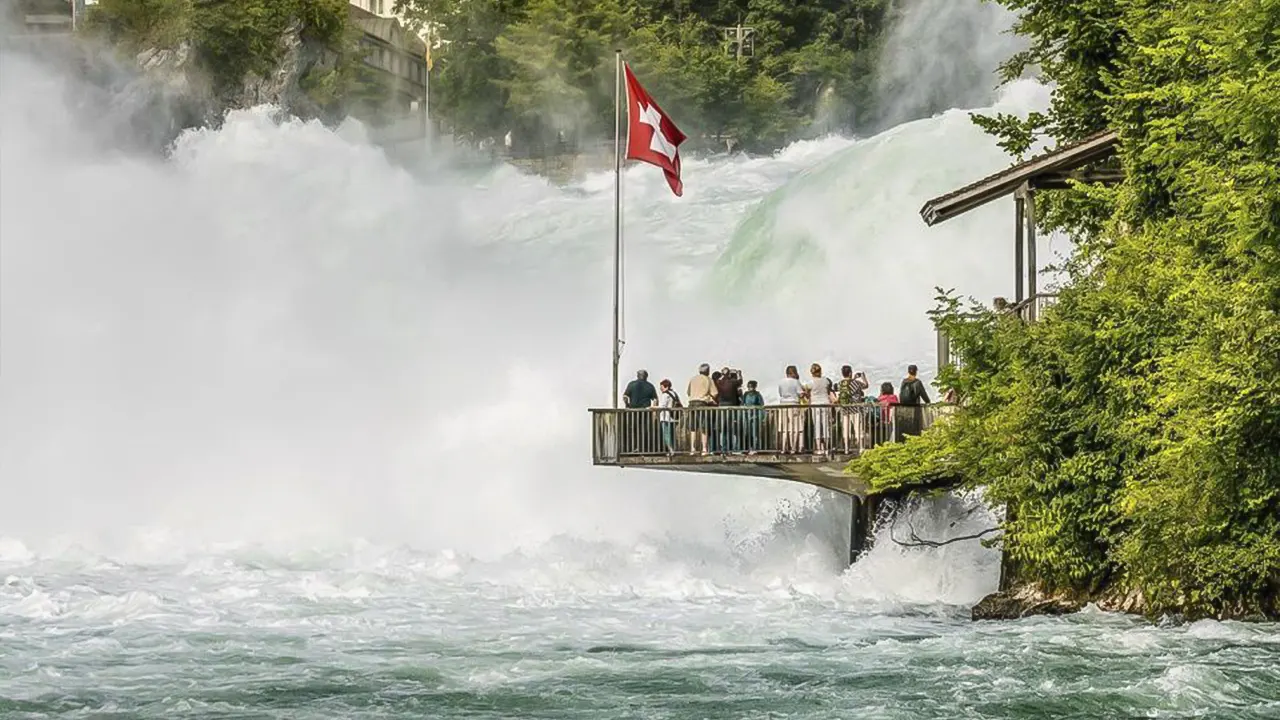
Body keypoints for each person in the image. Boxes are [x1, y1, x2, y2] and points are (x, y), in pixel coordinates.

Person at [622, 369, 659, 453]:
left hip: (633, 411)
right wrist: (654, 409)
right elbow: (655, 400)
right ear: (646, 376)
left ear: (637, 376)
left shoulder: (631, 384)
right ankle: (642, 447)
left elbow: (625, 396)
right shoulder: (650, 386)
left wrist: (627, 404)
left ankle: (633, 447)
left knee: (633, 429)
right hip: (645, 412)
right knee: (644, 429)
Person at [837, 366, 870, 453]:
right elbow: (866, 386)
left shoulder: (840, 383)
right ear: (850, 372)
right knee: (858, 429)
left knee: (846, 429)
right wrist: (863, 378)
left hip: (844, 409)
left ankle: (846, 449)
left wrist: (853, 378)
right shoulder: (856, 383)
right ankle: (861, 448)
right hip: (855, 409)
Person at [686, 363, 717, 455]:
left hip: (691, 403)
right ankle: (704, 449)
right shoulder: (708, 379)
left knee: (693, 428)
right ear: (708, 371)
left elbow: (688, 392)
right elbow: (715, 393)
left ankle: (692, 449)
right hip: (702, 403)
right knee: (704, 427)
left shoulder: (693, 379)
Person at [804, 363, 835, 456]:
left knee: (817, 425)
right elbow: (828, 391)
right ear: (820, 371)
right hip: (825, 403)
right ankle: (826, 447)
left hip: (815, 404)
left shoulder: (810, 383)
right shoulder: (826, 381)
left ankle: (818, 448)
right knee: (826, 425)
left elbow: (806, 393)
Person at [897, 364, 931, 439]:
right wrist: (928, 402)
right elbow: (923, 394)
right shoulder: (917, 382)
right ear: (916, 372)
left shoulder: (904, 382)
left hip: (904, 409)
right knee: (915, 428)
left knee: (906, 428)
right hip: (915, 408)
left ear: (908, 372)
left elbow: (901, 395)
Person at [715, 366, 743, 454]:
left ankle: (723, 448)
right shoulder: (733, 382)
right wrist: (739, 374)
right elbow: (740, 381)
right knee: (730, 428)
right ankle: (731, 448)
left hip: (721, 407)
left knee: (723, 428)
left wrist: (722, 374)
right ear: (729, 374)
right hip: (731, 406)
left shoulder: (719, 382)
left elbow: (718, 380)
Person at [777, 365, 804, 454]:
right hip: (794, 404)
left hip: (783, 404)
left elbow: (780, 393)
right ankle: (793, 448)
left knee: (784, 428)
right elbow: (800, 394)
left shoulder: (781, 382)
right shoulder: (796, 382)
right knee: (795, 427)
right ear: (794, 372)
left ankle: (783, 448)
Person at [658, 379, 681, 455]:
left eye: (661, 387)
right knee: (673, 435)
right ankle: (674, 450)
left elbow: (662, 406)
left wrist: (652, 408)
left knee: (666, 434)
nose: (660, 389)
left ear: (666, 387)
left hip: (666, 418)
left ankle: (671, 451)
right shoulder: (674, 393)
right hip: (674, 417)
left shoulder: (665, 395)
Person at [741, 380, 765, 454]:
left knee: (754, 433)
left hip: (755, 415)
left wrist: (762, 417)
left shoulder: (757, 394)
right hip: (746, 416)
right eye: (749, 386)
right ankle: (746, 449)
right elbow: (742, 404)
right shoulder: (745, 394)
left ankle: (755, 448)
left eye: (752, 386)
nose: (750, 388)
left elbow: (761, 405)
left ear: (755, 387)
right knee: (746, 433)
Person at [876, 381, 899, 446]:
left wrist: (880, 394)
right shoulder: (894, 397)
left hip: (883, 421)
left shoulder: (880, 398)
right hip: (893, 421)